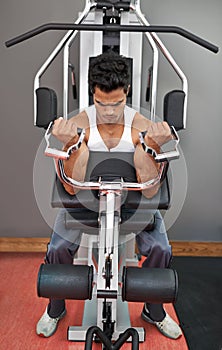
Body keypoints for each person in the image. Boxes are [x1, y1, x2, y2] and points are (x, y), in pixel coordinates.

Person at [36, 51, 182, 340]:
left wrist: (151, 145)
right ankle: (55, 308)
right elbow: (71, 187)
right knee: (57, 249)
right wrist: (76, 145)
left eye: (117, 103)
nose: (111, 112)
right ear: (93, 94)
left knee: (161, 249)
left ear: (126, 92)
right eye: (102, 104)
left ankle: (154, 309)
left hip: (132, 203)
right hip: (85, 203)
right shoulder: (80, 123)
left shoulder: (141, 125)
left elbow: (151, 188)